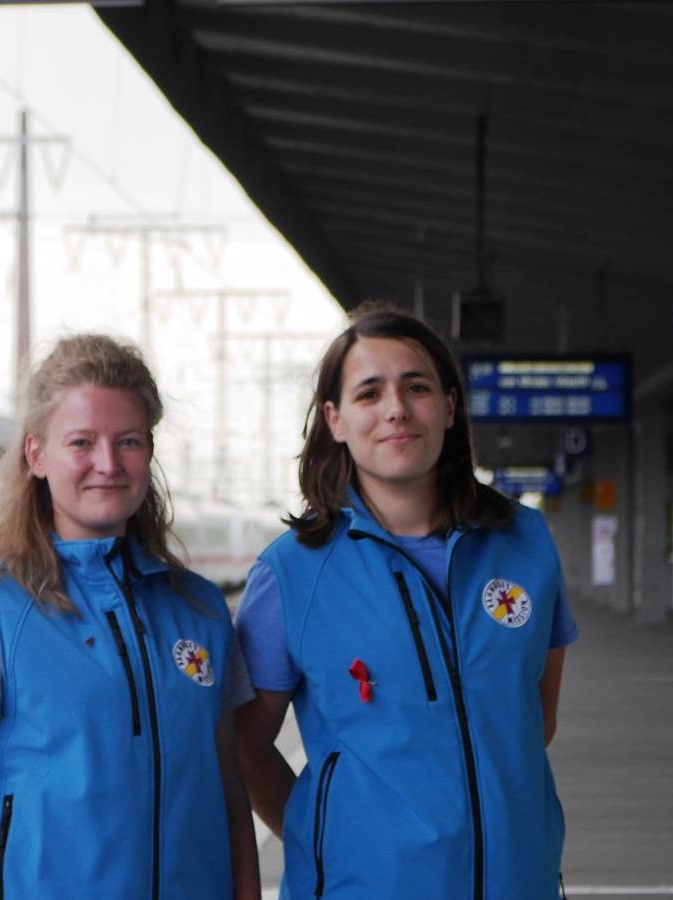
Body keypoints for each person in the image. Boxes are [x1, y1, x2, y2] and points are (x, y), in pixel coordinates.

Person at [234, 307, 577, 899]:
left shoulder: (526, 543)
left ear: (448, 406)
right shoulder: (291, 573)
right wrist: (330, 835)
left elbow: (532, 720)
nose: (396, 408)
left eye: (415, 387)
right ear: (335, 420)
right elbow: (244, 745)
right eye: (370, 393)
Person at [0, 334, 260, 900]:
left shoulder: (198, 610)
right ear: (36, 455)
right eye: (82, 442)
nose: (108, 463)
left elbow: (226, 788)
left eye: (128, 441)